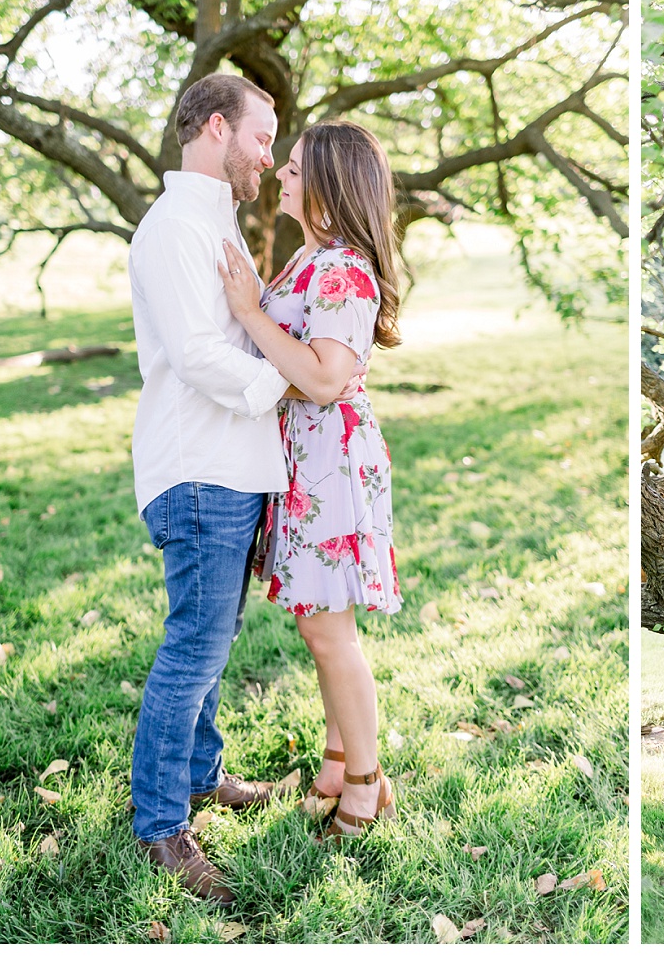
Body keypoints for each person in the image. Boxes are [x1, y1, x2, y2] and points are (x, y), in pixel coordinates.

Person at [128, 73, 294, 904]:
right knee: (195, 643)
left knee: (214, 641)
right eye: (264, 138)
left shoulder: (213, 218)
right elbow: (196, 354)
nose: (271, 155)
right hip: (197, 468)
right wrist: (286, 383)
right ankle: (160, 824)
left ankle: (200, 774)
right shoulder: (173, 230)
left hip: (229, 466)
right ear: (218, 129)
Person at [217, 119, 404, 842]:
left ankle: (366, 784)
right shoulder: (310, 258)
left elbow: (324, 377)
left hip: (332, 460)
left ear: (328, 184)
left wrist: (244, 311)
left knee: (330, 634)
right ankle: (336, 762)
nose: (282, 174)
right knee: (320, 625)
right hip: (305, 459)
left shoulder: (342, 270)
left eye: (295, 168)